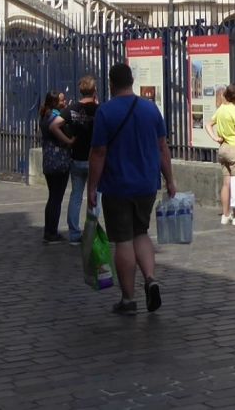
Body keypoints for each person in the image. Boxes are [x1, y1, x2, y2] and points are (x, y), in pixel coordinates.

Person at [87, 61, 176, 315]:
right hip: (147, 184)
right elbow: (162, 148)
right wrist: (169, 180)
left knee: (123, 240)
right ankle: (150, 278)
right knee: (141, 233)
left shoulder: (106, 112)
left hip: (117, 185)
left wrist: (92, 187)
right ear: (132, 82)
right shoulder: (150, 109)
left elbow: (99, 153)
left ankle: (128, 299)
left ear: (111, 83)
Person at [62, 75, 99, 243]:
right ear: (94, 91)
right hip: (94, 159)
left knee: (76, 195)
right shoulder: (99, 110)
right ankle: (91, 232)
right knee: (94, 196)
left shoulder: (73, 109)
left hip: (77, 157)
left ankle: (74, 233)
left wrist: (68, 140)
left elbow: (54, 124)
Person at [207, 83, 235, 226]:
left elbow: (208, 124)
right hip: (234, 149)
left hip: (223, 148)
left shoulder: (221, 110)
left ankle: (225, 215)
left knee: (226, 183)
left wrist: (215, 138)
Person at [39, 90, 74, 243]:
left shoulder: (44, 115)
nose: (64, 103)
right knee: (56, 198)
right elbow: (65, 134)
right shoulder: (54, 118)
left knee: (52, 197)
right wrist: (70, 141)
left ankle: (49, 230)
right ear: (54, 103)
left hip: (48, 161)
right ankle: (52, 232)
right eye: (61, 101)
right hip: (59, 161)